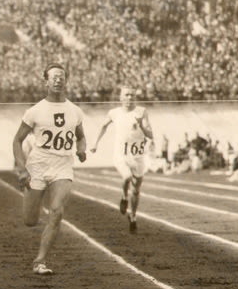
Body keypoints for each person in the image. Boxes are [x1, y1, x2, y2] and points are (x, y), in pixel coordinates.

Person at [12, 62, 87, 275]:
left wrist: (81, 150)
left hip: (63, 166)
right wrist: (21, 168)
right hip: (37, 165)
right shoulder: (35, 111)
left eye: (61, 76)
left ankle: (40, 260)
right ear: (46, 81)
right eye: (53, 76)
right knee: (30, 220)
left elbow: (81, 137)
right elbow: (17, 141)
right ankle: (28, 192)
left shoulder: (75, 111)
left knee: (56, 212)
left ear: (66, 80)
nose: (57, 79)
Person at [90, 86, 154, 232]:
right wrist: (95, 143)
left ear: (135, 98)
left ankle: (133, 216)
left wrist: (142, 127)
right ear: (120, 98)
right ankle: (124, 197)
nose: (129, 98)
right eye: (126, 95)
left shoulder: (142, 112)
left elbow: (150, 134)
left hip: (138, 156)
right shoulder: (114, 113)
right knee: (126, 177)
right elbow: (103, 126)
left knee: (137, 189)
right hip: (121, 154)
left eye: (132, 95)